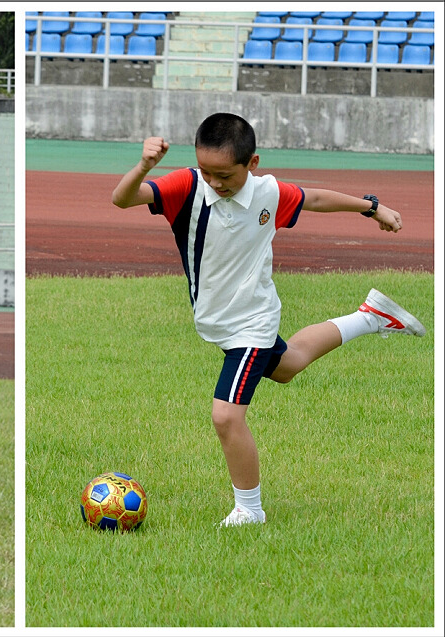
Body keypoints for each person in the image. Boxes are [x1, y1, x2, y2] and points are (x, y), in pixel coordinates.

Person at [111, 112, 426, 527]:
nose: (215, 182)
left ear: (252, 164)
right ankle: (371, 316)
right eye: (207, 171)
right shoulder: (186, 186)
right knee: (288, 364)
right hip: (219, 322)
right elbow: (123, 198)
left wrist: (372, 207)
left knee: (226, 415)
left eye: (225, 174)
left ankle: (250, 509)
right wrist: (144, 168)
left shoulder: (267, 193)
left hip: (252, 323)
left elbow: (313, 198)